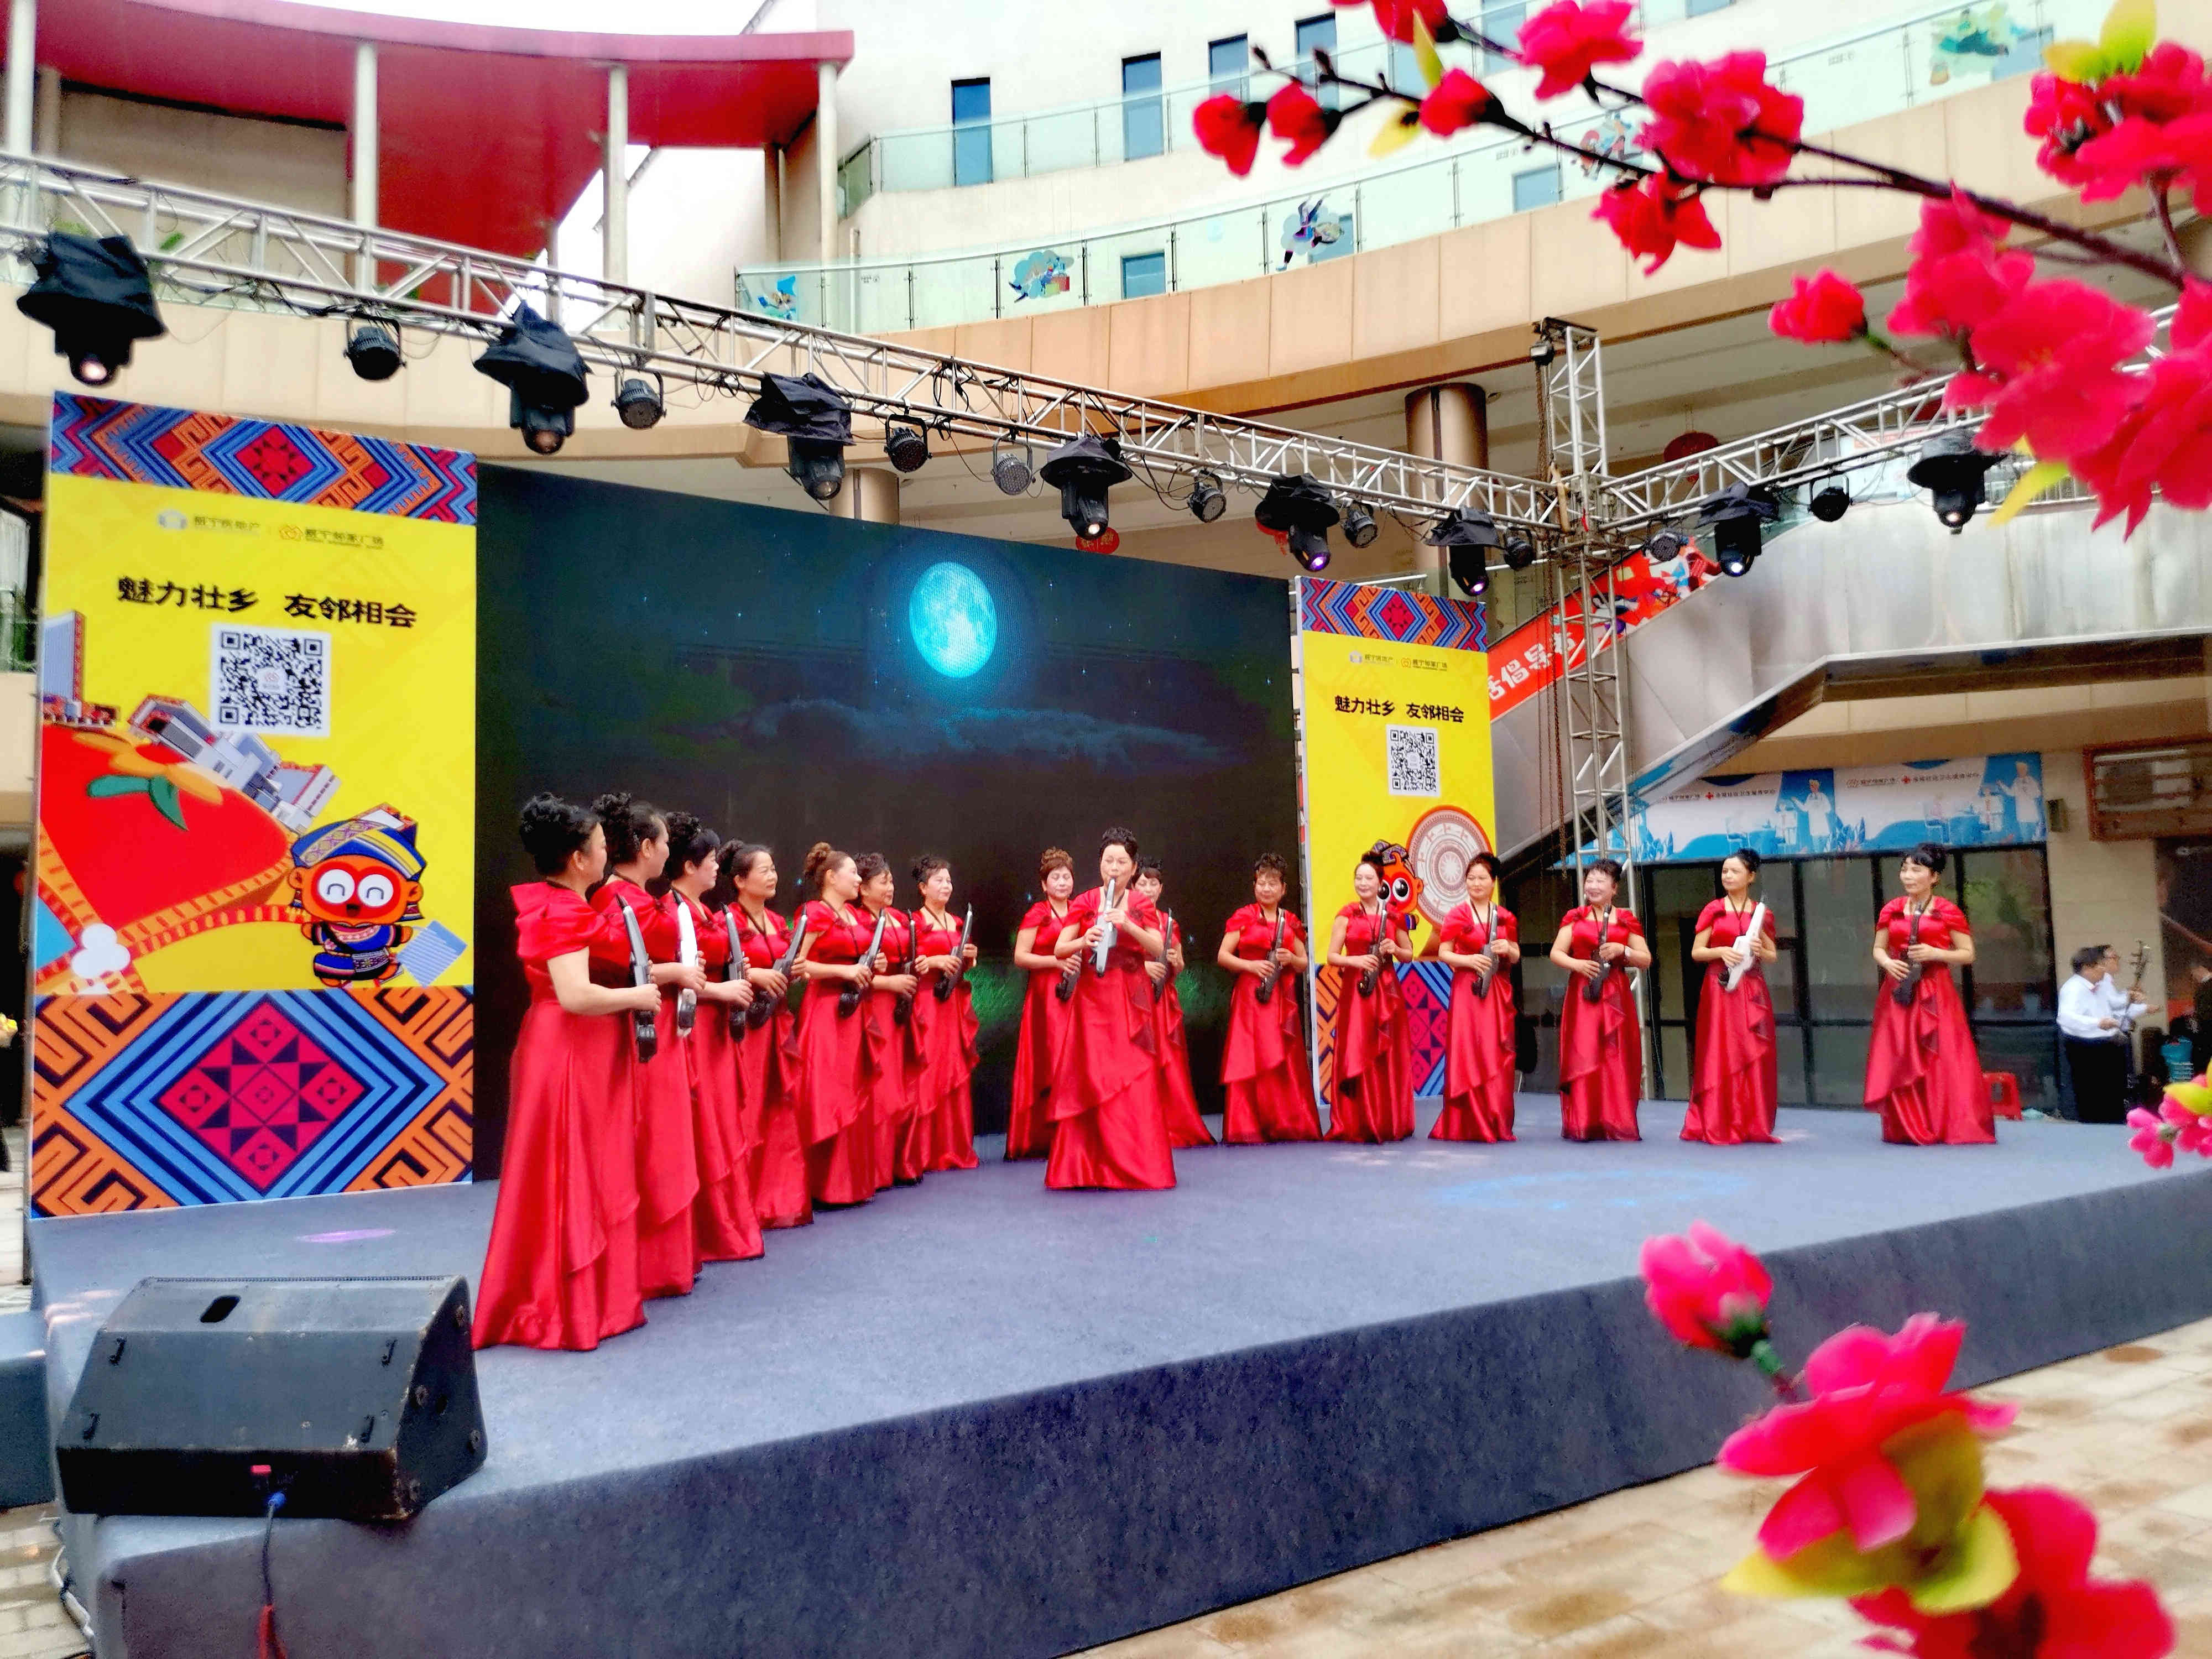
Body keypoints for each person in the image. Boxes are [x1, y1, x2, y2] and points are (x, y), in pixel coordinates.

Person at [475, 796, 657, 1352]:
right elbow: (575, 995)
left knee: (569, 1168)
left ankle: (571, 1300)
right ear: (579, 858)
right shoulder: (564, 911)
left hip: (572, 1045)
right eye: (601, 847)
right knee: (570, 1168)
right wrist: (638, 996)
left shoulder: (561, 905)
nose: (607, 854)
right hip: (571, 1048)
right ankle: (563, 1308)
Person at [589, 792, 707, 1300]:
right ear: (644, 847)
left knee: (668, 1141)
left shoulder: (642, 898)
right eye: (663, 842)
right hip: (638, 1031)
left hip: (665, 1026)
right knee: (652, 1142)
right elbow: (612, 967)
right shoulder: (613, 899)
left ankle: (670, 1260)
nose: (668, 851)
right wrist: (678, 971)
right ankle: (647, 1264)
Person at [659, 814, 766, 1267]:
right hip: (693, 1029)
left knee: (721, 1124)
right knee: (703, 1127)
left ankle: (725, 1226)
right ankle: (708, 1231)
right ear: (689, 866)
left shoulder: (704, 910)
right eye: (710, 861)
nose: (716, 867)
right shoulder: (669, 911)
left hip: (719, 1030)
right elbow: (669, 980)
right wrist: (721, 991)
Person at [1046, 828, 1176, 1191]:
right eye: (1108, 861)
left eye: (1121, 862)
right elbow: (1059, 949)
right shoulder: (1086, 900)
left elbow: (1159, 949)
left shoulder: (1141, 903)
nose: (1114, 868)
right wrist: (1082, 939)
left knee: (1133, 1076)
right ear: (1100, 864)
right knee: (1091, 1075)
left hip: (1129, 997)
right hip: (1092, 999)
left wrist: (1128, 925)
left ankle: (1136, 1165)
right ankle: (1086, 1168)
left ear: (1133, 867)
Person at [1865, 842, 1995, 1145]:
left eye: (1916, 870)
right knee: (1900, 1053)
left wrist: (1936, 953)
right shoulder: (1892, 909)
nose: (1908, 876)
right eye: (1905, 869)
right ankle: (1905, 1124)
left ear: (1934, 877)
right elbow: (1878, 948)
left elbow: (1967, 954)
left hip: (1935, 989)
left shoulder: (1948, 911)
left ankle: (1943, 1121)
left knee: (1942, 1054)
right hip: (1899, 989)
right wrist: (1887, 963)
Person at [724, 843, 811, 1229]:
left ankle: (776, 1199)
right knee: (746, 1110)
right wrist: (755, 974)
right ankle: (742, 1204)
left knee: (778, 1110)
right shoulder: (725, 919)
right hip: (744, 1027)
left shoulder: (777, 921)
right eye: (764, 870)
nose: (773, 876)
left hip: (776, 1023)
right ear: (740, 881)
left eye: (774, 869)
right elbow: (716, 967)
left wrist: (797, 971)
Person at [790, 843, 882, 1205]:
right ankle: (822, 1184)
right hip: (827, 1011)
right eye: (853, 874)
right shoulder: (814, 913)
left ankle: (851, 1183)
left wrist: (873, 965)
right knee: (828, 1090)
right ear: (831, 877)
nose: (859, 880)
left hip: (855, 1009)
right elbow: (798, 965)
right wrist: (845, 971)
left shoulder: (854, 915)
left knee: (853, 1085)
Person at [1217, 853, 1321, 1143]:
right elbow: (1223, 956)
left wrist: (1291, 959)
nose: (1266, 888)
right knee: (1249, 1056)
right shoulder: (1243, 917)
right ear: (1254, 886)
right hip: (1250, 998)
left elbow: (1303, 963)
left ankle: (1285, 1122)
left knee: (1282, 1057)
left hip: (1280, 998)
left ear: (1284, 889)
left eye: (1272, 883)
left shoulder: (1291, 922)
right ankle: (1247, 1125)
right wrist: (1250, 966)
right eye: (1261, 883)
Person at [1681, 847, 1781, 1146]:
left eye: (1735, 871)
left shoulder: (1761, 914)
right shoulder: (1713, 909)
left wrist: (1759, 950)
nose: (1727, 876)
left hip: (1751, 987)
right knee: (1719, 1049)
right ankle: (1717, 1120)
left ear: (1751, 876)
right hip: (1719, 987)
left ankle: (1751, 1121)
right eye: (1725, 871)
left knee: (1750, 1050)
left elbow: (1772, 955)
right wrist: (1721, 951)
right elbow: (1697, 952)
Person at [1550, 858, 1649, 1142]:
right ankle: (1584, 1122)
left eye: (1600, 881)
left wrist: (1623, 950)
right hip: (1583, 992)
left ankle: (1615, 1121)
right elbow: (1557, 952)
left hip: (1615, 992)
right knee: (1584, 1051)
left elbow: (1645, 959)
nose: (1592, 886)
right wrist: (1577, 965)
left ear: (1615, 888)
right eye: (1589, 880)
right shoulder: (1575, 917)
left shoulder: (1626, 919)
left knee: (1615, 1055)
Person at [1324, 849, 1416, 1142]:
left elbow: (1409, 955)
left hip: (1387, 990)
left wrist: (1395, 949)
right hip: (1356, 991)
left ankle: (1389, 1120)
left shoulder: (1394, 916)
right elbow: (1332, 956)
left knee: (1386, 1054)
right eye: (1359, 878)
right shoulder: (1346, 915)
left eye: (1369, 879)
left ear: (1380, 883)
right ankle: (1358, 1121)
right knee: (1359, 1048)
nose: (1363, 883)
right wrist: (1356, 961)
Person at [1433, 851, 1519, 1142]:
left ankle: (1496, 1119)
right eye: (1471, 878)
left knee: (1494, 1049)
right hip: (1467, 989)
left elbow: (1516, 955)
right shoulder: (1457, 915)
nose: (1476, 883)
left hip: (1496, 989)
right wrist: (1469, 960)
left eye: (1482, 878)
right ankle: (1466, 1121)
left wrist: (1508, 948)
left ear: (1493, 882)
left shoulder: (1505, 917)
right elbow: (1444, 952)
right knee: (1468, 1049)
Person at [854, 853, 925, 1190]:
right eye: (883, 882)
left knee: (902, 1081)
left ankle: (901, 1161)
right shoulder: (856, 921)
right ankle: (875, 1168)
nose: (890, 887)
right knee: (880, 1085)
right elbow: (856, 972)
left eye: (892, 881)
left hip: (902, 1005)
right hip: (875, 1005)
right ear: (863, 888)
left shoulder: (899, 918)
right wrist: (888, 982)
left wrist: (918, 965)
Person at [1135, 855, 1214, 1149]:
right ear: (1133, 887)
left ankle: (1172, 1123)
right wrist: (1143, 968)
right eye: (1142, 883)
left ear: (1161, 888)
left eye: (1153, 884)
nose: (1148, 889)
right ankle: (1140, 1126)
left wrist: (1174, 961)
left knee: (1168, 1062)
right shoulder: (1127, 918)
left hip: (1164, 1000)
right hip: (1135, 999)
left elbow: (1179, 965)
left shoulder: (1169, 923)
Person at [909, 855, 981, 1173]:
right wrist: (936, 961)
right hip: (927, 1001)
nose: (946, 886)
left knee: (954, 1067)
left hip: (953, 1002)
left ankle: (953, 1146)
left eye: (948, 880)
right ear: (923, 888)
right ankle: (924, 1151)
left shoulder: (957, 922)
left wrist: (970, 958)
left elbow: (966, 964)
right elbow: (910, 961)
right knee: (929, 1068)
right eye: (938, 880)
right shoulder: (914, 922)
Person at [1006, 848, 1076, 1161]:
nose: (1062, 882)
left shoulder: (1080, 911)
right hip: (1046, 995)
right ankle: (1044, 1135)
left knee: (1074, 1059)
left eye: (1066, 877)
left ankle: (1072, 1133)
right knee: (1050, 1058)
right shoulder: (1037, 913)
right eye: (1055, 878)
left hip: (1076, 991)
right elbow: (1021, 957)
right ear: (1045, 885)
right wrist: (1056, 962)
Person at [2059, 945, 2131, 1125]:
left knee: (2114, 1093)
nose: (2104, 969)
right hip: (2085, 1047)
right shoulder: (2073, 988)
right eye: (2100, 965)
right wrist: (2097, 1023)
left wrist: (2129, 1000)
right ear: (2086, 968)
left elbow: (2112, 1004)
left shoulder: (2099, 986)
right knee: (2093, 1094)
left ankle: (2115, 1124)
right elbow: (2065, 1018)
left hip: (2107, 1043)